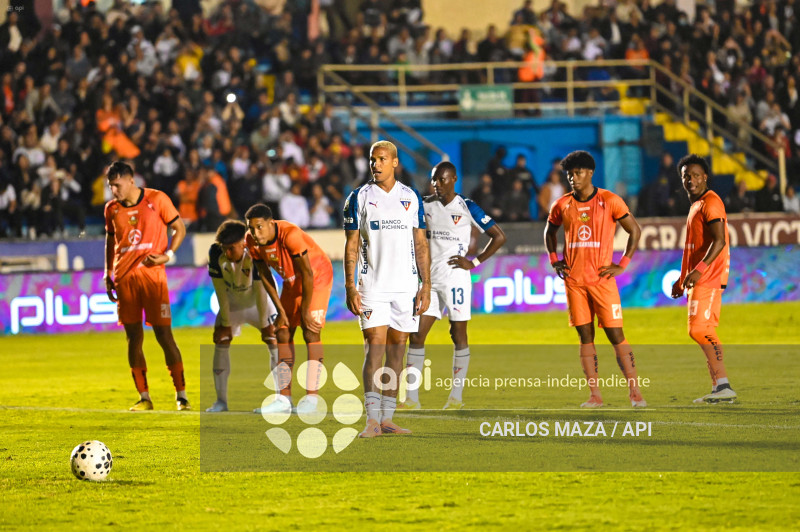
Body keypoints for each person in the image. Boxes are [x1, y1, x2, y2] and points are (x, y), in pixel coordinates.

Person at [544, 151, 646, 408]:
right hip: (574, 283)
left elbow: (634, 230)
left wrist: (622, 264)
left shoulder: (609, 200)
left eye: (578, 173)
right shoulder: (562, 204)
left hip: (602, 281)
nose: (573, 178)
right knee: (585, 337)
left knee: (616, 335)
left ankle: (635, 392)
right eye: (570, 174)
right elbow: (549, 231)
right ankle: (595, 395)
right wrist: (554, 259)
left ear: (590, 173)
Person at [343, 140, 431, 438]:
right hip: (372, 287)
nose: (376, 164)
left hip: (406, 287)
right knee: (375, 347)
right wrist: (350, 285)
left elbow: (421, 243)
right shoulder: (359, 197)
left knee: (397, 351)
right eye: (372, 159)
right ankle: (371, 419)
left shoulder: (411, 196)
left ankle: (388, 418)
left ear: (395, 162)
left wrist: (426, 285)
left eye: (382, 159)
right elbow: (351, 245)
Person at [402, 161, 506, 410]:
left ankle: (456, 397)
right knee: (416, 335)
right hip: (428, 281)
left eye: (442, 179)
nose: (436, 184)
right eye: (434, 180)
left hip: (456, 279)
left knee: (457, 334)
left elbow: (499, 236)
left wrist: (474, 262)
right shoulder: (424, 205)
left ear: (454, 179)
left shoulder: (467, 207)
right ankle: (411, 399)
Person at [103, 161, 189, 411]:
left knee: (164, 336)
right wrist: (108, 272)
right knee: (133, 338)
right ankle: (144, 397)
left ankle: (181, 396)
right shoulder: (111, 209)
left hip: (153, 278)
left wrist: (168, 255)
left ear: (131, 180)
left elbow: (179, 228)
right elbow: (110, 240)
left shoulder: (157, 199)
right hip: (125, 279)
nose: (114, 191)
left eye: (117, 185)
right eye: (111, 186)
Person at [244, 203, 334, 415]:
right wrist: (280, 311)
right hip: (291, 281)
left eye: (259, 227)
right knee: (282, 332)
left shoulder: (290, 235)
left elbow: (308, 274)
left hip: (317, 277)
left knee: (310, 331)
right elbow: (264, 275)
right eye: (251, 228)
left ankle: (312, 400)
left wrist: (305, 312)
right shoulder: (251, 241)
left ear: (271, 223)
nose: (256, 233)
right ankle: (284, 400)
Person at [671, 154, 736, 404]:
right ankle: (719, 388)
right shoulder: (696, 205)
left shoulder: (711, 202)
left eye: (696, 175)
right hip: (701, 277)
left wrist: (698, 270)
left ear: (705, 177)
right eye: (686, 176)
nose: (691, 180)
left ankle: (724, 384)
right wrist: (682, 277)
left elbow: (719, 241)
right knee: (705, 330)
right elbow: (694, 247)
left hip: (709, 276)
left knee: (698, 329)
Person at [205, 220, 279, 412]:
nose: (227, 253)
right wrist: (226, 322)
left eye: (231, 248)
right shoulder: (216, 253)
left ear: (243, 244)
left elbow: (261, 292)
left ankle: (281, 399)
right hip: (232, 304)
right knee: (221, 341)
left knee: (275, 340)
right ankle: (221, 402)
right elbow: (220, 291)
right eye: (224, 248)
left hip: (260, 302)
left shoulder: (256, 251)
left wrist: (265, 324)